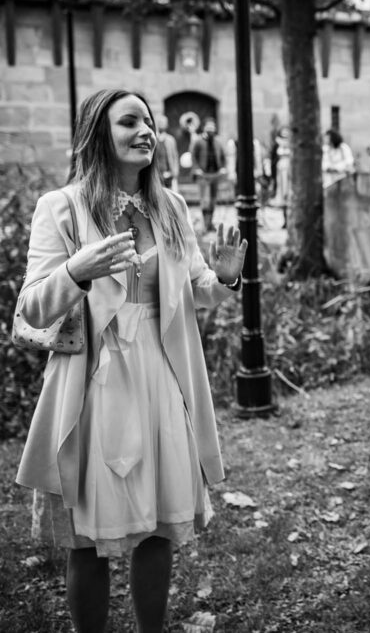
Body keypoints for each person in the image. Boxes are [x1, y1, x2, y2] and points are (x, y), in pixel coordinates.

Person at [14, 89, 247, 632]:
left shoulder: (171, 207)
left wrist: (226, 276)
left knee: (161, 525)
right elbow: (30, 307)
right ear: (99, 134)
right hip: (95, 380)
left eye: (149, 122)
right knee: (89, 537)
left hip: (161, 373)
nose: (146, 131)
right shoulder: (61, 207)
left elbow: (195, 289)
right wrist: (75, 272)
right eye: (129, 122)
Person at [189, 117, 228, 232]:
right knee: (205, 201)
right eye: (209, 127)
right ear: (204, 128)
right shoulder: (198, 141)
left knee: (213, 200)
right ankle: (205, 225)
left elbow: (223, 156)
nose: (211, 129)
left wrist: (223, 168)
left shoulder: (217, 142)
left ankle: (210, 223)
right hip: (203, 176)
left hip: (215, 175)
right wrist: (196, 169)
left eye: (213, 127)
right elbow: (193, 156)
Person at [153, 114, 179, 191]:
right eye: (160, 122)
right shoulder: (153, 138)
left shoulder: (170, 139)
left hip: (168, 175)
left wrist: (174, 172)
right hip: (155, 175)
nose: (162, 124)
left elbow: (175, 156)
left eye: (164, 123)